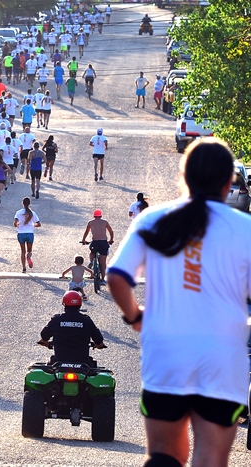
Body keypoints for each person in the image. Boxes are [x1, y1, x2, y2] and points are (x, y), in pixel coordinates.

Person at [107, 138, 251, 467]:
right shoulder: (246, 229)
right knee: (210, 460)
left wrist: (136, 317)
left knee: (165, 457)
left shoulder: (153, 219)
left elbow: (117, 277)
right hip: (221, 359)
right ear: (229, 182)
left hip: (166, 354)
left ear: (183, 177)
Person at [38, 291, 106, 366]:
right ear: (80, 305)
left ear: (64, 304)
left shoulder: (57, 320)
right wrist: (99, 345)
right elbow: (99, 341)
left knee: (48, 370)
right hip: (83, 363)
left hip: (59, 362)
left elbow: (44, 336)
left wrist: (45, 342)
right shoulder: (86, 321)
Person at [81, 209, 114, 285]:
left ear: (94, 216)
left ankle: (91, 261)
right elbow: (111, 232)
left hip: (95, 242)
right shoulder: (105, 222)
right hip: (103, 243)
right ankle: (102, 279)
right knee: (103, 262)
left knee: (92, 252)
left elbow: (86, 232)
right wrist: (111, 240)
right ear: (101, 216)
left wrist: (83, 240)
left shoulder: (90, 223)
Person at [13, 197, 42, 273]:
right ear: (29, 204)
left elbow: (15, 224)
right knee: (29, 250)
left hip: (21, 233)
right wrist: (32, 225)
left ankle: (23, 268)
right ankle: (28, 256)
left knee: (22, 251)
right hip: (30, 233)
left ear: (22, 203)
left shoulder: (18, 212)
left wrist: (18, 224)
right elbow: (39, 224)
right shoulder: (33, 213)